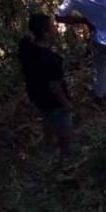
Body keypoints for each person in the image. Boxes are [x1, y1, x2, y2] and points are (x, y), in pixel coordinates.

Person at [18, 13, 74, 155]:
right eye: (53, 26)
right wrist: (66, 103)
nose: (56, 27)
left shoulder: (25, 47)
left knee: (47, 119)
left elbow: (27, 37)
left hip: (37, 95)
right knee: (64, 126)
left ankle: (47, 145)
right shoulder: (51, 60)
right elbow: (55, 86)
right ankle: (66, 151)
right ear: (46, 34)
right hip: (54, 101)